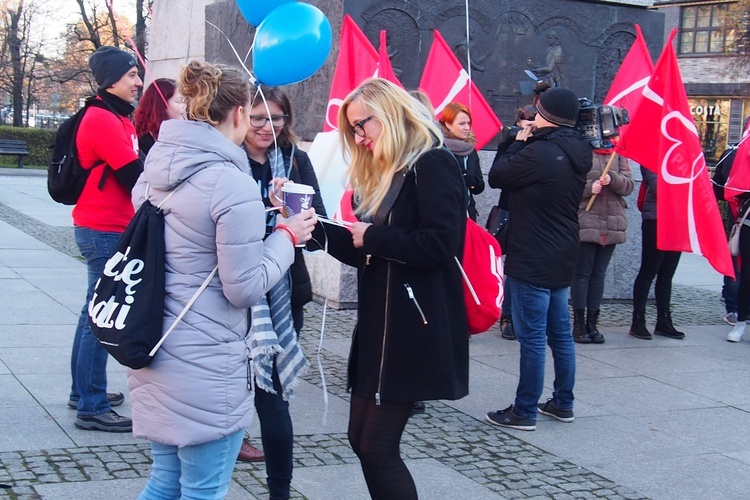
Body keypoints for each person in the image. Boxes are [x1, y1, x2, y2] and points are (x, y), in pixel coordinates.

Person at [128, 61, 317, 499]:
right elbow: (245, 286)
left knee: (164, 481)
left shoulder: (157, 166)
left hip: (156, 344)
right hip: (208, 363)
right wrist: (287, 236)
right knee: (204, 488)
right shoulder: (230, 182)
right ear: (237, 113)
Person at [313, 78, 469, 499]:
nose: (359, 138)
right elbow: (366, 250)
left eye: (362, 126)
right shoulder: (391, 169)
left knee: (377, 447)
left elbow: (442, 244)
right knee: (361, 440)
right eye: (354, 131)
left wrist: (374, 238)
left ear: (388, 114)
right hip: (380, 328)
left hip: (412, 329)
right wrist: (312, 227)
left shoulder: (433, 162)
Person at [486, 87, 592, 431]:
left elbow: (498, 175)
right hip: (562, 249)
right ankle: (563, 402)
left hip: (532, 250)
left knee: (532, 337)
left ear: (543, 114)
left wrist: (519, 140)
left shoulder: (541, 153)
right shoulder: (577, 149)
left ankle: (525, 410)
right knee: (559, 334)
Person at [239, 86, 327, 497]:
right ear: (240, 117)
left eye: (275, 118)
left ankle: (280, 490)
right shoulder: (227, 160)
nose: (266, 127)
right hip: (232, 292)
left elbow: (317, 231)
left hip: (283, 294)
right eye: (258, 117)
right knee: (229, 396)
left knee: (272, 400)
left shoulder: (296, 160)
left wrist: (290, 211)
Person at [69, 46, 143, 432]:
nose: (137, 82)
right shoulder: (101, 118)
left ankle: (82, 392)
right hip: (103, 229)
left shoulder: (117, 116)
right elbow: (134, 175)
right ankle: (92, 404)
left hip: (108, 226)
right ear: (112, 79)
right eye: (131, 75)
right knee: (100, 317)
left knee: (91, 312)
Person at [571, 149, 634, 344]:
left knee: (599, 274)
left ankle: (593, 323)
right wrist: (591, 187)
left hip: (611, 222)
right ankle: (579, 324)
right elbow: (570, 185)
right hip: (587, 220)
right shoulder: (581, 150)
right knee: (582, 274)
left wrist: (613, 179)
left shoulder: (619, 152)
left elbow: (629, 185)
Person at [490, 105, 537, 341]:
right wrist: (518, 144)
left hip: (533, 213)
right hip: (510, 211)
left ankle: (525, 316)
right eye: (525, 124)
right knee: (511, 267)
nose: (529, 129)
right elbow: (496, 178)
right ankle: (507, 316)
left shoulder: (542, 147)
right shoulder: (509, 145)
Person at [629, 167, 685, 340]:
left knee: (667, 274)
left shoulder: (680, 159)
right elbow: (660, 187)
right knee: (648, 271)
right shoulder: (652, 157)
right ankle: (638, 321)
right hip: (657, 219)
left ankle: (664, 320)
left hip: (677, 218)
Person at [439, 101, 485, 221]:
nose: (466, 128)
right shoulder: (439, 148)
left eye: (468, 123)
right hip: (445, 214)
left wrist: (469, 179)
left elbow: (479, 186)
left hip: (468, 214)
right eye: (462, 123)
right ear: (448, 124)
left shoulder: (470, 149)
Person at [133, 78, 186, 156]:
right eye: (179, 101)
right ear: (161, 105)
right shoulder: (144, 141)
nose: (184, 106)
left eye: (184, 101)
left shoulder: (184, 134)